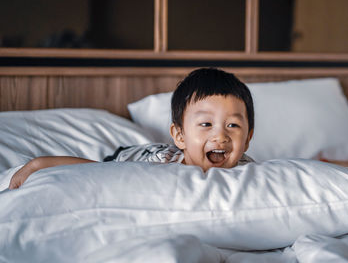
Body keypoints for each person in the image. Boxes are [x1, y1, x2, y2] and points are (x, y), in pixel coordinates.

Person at [9, 68, 255, 189]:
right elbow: (93, 172)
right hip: (132, 156)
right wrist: (39, 164)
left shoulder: (251, 172)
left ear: (247, 140)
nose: (220, 136)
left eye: (233, 125)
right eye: (206, 124)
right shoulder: (158, 168)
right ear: (180, 135)